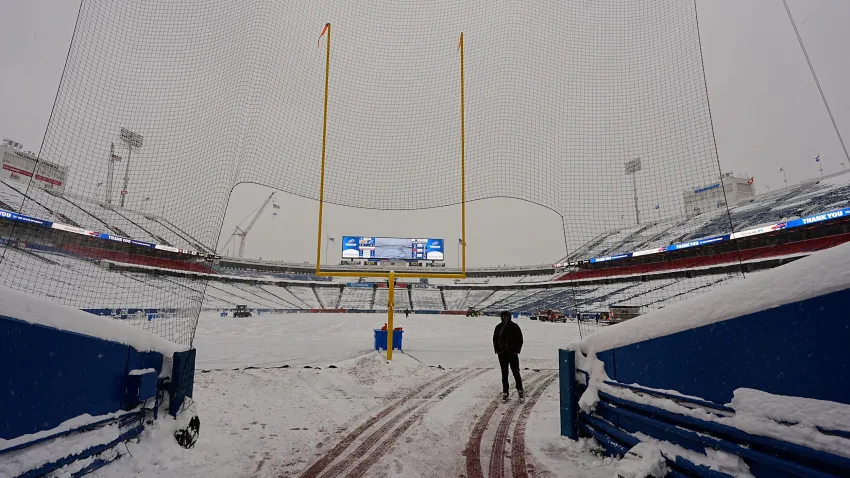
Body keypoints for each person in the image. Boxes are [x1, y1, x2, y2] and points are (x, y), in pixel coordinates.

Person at [493, 310, 523, 400]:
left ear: (510, 317)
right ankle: (505, 392)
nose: (505, 318)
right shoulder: (498, 327)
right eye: (503, 316)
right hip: (502, 354)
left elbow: (520, 339)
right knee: (504, 374)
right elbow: (495, 340)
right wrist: (498, 350)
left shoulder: (515, 326)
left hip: (512, 354)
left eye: (507, 316)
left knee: (516, 373)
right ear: (501, 317)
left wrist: (516, 350)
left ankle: (520, 389)